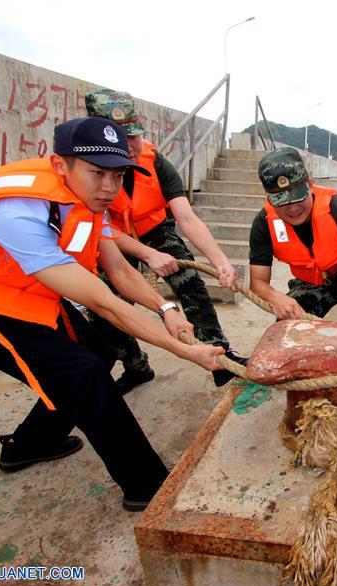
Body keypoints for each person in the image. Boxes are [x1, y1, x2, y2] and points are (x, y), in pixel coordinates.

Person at [0, 117, 224, 511]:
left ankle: (31, 444)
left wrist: (166, 308)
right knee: (81, 371)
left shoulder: (86, 198)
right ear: (61, 166)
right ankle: (147, 487)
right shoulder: (17, 214)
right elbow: (104, 302)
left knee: (102, 353)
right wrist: (186, 352)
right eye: (97, 173)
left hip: (8, 281)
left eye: (118, 175)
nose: (109, 187)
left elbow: (120, 271)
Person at [84, 89, 244, 392]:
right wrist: (145, 254)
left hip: (154, 229)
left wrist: (221, 261)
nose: (131, 145)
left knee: (190, 281)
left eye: (133, 135)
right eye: (121, 137)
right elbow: (100, 228)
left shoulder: (155, 162)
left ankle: (220, 356)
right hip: (111, 239)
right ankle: (136, 366)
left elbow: (186, 217)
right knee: (107, 306)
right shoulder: (85, 171)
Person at [248, 147, 337, 336]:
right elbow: (257, 282)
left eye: (298, 198)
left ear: (310, 184)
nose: (293, 209)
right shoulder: (263, 224)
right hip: (309, 281)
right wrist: (274, 297)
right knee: (287, 326)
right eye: (282, 202)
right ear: (270, 199)